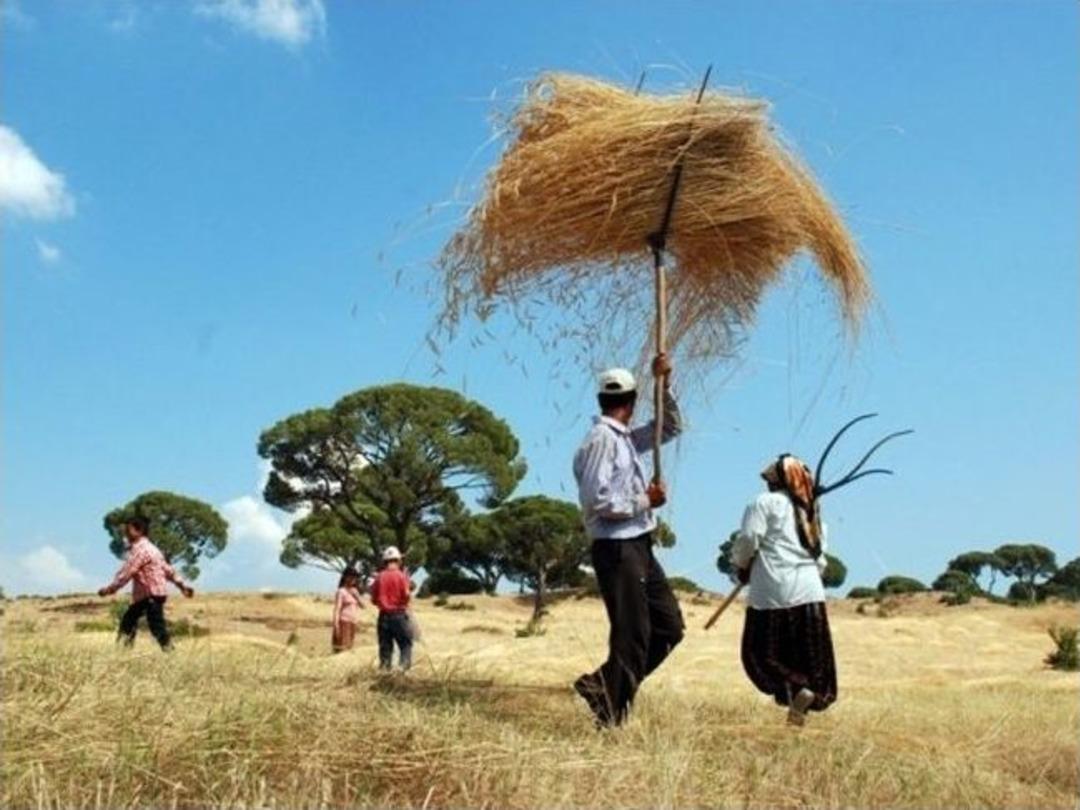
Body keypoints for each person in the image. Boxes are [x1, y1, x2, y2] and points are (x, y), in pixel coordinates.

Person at [572, 353, 684, 727]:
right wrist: (644, 501)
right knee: (632, 635)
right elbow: (597, 501)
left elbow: (668, 429)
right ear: (632, 403)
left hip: (639, 543)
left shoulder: (624, 439)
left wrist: (664, 385)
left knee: (668, 627)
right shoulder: (602, 440)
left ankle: (602, 686)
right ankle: (611, 714)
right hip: (617, 547)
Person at [729, 455, 837, 726]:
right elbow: (821, 559)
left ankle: (795, 691)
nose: (767, 485)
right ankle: (802, 702)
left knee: (760, 654)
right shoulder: (813, 511)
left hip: (774, 592)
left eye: (770, 480)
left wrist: (740, 566)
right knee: (808, 658)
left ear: (778, 481)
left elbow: (748, 539)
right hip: (811, 593)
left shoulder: (763, 503)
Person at [98, 516, 194, 651]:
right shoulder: (153, 549)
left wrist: (110, 589)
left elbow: (127, 572)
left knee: (156, 628)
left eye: (128, 530)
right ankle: (123, 652)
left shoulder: (141, 550)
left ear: (139, 531)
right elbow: (168, 570)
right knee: (129, 622)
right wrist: (182, 586)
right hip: (153, 595)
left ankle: (170, 654)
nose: (125, 533)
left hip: (150, 595)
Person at [369, 546, 413, 671]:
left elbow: (373, 600)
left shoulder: (379, 577)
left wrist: (383, 603)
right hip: (399, 615)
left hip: (383, 616)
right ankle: (402, 670)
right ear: (398, 560)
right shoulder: (401, 576)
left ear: (385, 561)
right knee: (405, 644)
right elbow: (407, 595)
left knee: (385, 648)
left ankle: (384, 672)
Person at [331, 568, 364, 653]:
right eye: (351, 577)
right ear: (346, 577)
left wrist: (356, 595)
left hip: (353, 622)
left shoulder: (355, 591)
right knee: (342, 648)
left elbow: (362, 606)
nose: (353, 580)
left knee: (349, 647)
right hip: (344, 621)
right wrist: (336, 624)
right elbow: (337, 609)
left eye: (355, 578)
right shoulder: (341, 591)